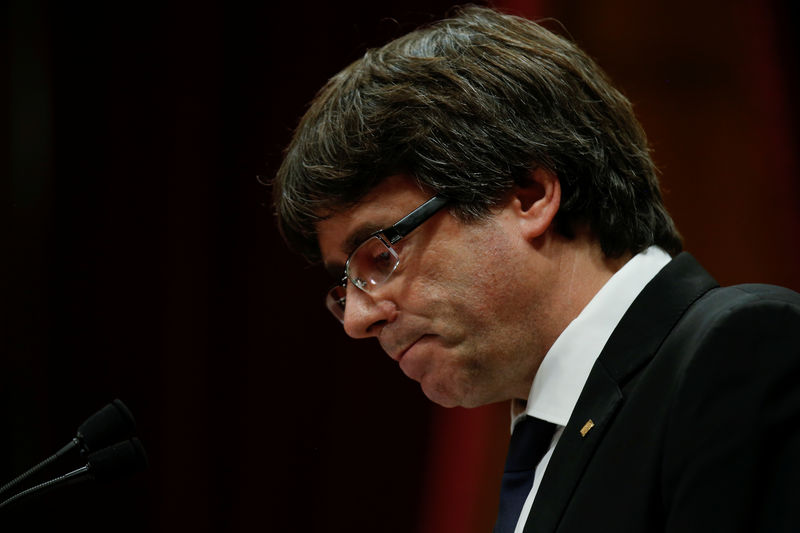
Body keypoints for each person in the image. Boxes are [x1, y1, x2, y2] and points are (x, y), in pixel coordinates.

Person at [273, 6, 800, 533]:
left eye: (380, 253)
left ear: (528, 195)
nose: (356, 319)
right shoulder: (556, 429)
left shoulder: (744, 353)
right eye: (346, 281)